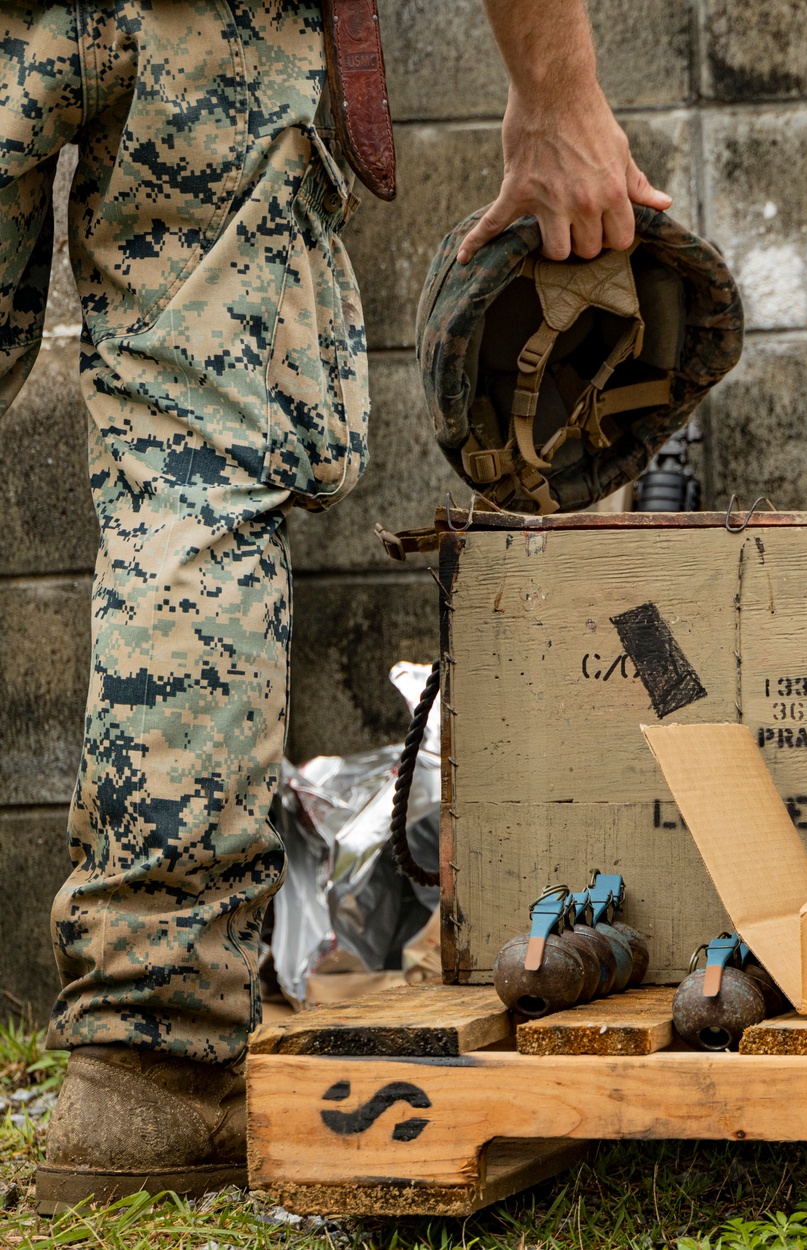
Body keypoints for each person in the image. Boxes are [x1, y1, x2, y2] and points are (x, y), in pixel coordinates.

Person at [0, 0, 670, 1210]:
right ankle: (148, 1064)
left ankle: (147, 1068)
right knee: (194, 471)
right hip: (208, 26)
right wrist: (557, 93)